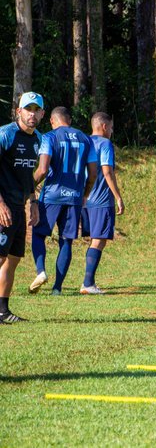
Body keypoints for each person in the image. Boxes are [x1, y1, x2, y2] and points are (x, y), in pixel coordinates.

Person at [31, 107, 98, 295]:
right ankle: (57, 288)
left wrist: (28, 185)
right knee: (66, 241)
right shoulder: (86, 139)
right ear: (69, 120)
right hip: (75, 197)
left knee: (38, 234)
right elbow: (93, 173)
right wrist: (85, 194)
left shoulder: (49, 137)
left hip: (52, 195)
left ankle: (41, 271)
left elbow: (43, 169)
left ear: (53, 121)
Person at [0, 92, 45, 323]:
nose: (32, 114)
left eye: (36, 110)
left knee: (13, 258)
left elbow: (28, 174)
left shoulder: (37, 138)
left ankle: (2, 312)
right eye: (28, 109)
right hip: (3, 206)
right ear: (19, 111)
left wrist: (33, 202)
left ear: (42, 114)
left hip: (19, 206)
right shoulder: (6, 134)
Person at [79, 112, 125, 294]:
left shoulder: (84, 142)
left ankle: (88, 282)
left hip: (85, 200)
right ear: (105, 126)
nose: (112, 131)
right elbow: (107, 172)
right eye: (111, 127)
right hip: (101, 199)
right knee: (99, 240)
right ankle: (88, 284)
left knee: (94, 240)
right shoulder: (105, 144)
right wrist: (118, 196)